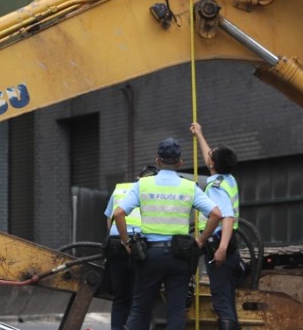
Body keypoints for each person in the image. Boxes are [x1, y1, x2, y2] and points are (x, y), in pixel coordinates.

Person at [113, 137, 221, 330]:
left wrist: (127, 242)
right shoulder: (189, 187)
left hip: (149, 256)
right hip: (179, 257)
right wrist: (201, 241)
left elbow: (119, 213)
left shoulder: (143, 185)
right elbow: (216, 214)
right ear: (180, 162)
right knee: (176, 311)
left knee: (139, 310)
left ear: (157, 161)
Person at [190, 121, 245, 330]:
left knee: (222, 304)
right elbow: (209, 159)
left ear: (213, 164)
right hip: (230, 247)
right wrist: (200, 135)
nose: (209, 155)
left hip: (219, 249)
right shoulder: (228, 179)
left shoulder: (216, 187)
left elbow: (227, 217)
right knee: (228, 302)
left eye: (212, 154)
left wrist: (218, 248)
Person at [103, 164, 158, 330]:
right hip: (139, 246)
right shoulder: (152, 191)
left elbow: (109, 219)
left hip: (115, 244)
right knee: (138, 299)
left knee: (120, 298)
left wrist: (121, 239)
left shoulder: (120, 188)